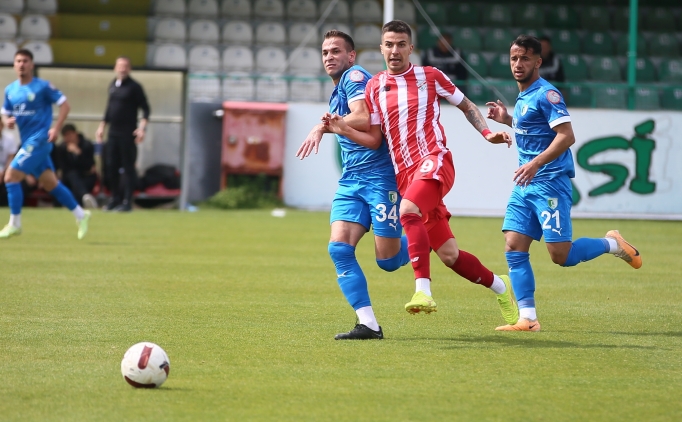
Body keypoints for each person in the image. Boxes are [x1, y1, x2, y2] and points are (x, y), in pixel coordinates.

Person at [323, 20, 519, 327]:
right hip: (405, 176)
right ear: (381, 49)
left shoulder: (430, 76)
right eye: (389, 45)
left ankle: (423, 291)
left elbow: (466, 105)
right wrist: (341, 128)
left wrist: (487, 133)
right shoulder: (374, 86)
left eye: (401, 44)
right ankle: (501, 287)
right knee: (450, 255)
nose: (395, 50)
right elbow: (374, 138)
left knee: (407, 210)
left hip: (434, 160)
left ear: (410, 48)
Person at [486, 35, 641, 332]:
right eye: (514, 58)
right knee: (513, 245)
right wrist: (507, 120)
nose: (518, 64)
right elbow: (533, 128)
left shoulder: (547, 94)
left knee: (561, 256)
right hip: (525, 184)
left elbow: (566, 136)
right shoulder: (524, 96)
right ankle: (528, 318)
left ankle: (612, 244)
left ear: (538, 62)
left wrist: (535, 163)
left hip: (550, 183)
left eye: (525, 58)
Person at [295, 30, 411, 340]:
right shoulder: (337, 91)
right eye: (325, 52)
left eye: (336, 51)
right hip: (351, 181)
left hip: (380, 180)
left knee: (388, 261)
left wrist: (322, 126)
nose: (329, 57)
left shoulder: (354, 76)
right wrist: (329, 126)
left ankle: (424, 238)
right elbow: (365, 132)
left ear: (351, 56)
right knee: (339, 248)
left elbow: (361, 115)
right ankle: (368, 324)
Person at [0, 49, 91, 239]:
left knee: (10, 177)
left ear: (32, 65)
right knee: (50, 183)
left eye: (25, 61)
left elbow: (65, 105)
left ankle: (15, 224)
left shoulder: (42, 87)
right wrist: (8, 120)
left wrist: (56, 129)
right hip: (27, 141)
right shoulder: (10, 90)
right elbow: (5, 112)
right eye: (18, 61)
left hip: (40, 140)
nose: (22, 64)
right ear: (14, 65)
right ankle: (81, 214)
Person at [96, 56, 150, 212]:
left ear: (129, 68)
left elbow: (146, 109)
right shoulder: (113, 84)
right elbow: (109, 109)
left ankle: (127, 201)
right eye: (120, 66)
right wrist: (102, 126)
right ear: (115, 68)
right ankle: (115, 198)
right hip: (113, 133)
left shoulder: (135, 87)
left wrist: (142, 128)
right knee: (111, 166)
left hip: (127, 133)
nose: (122, 69)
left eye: (125, 66)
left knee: (128, 168)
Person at [52, 123, 98, 209]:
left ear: (75, 133)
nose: (68, 138)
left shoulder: (87, 145)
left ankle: (80, 202)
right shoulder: (62, 148)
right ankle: (85, 196)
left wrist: (78, 153)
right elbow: (64, 168)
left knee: (76, 183)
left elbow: (89, 165)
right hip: (69, 177)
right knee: (71, 176)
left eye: (70, 135)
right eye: (65, 136)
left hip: (86, 177)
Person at [0, 118, 18, 207]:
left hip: (7, 168)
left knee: (11, 179)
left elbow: (11, 157)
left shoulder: (10, 138)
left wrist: (4, 171)